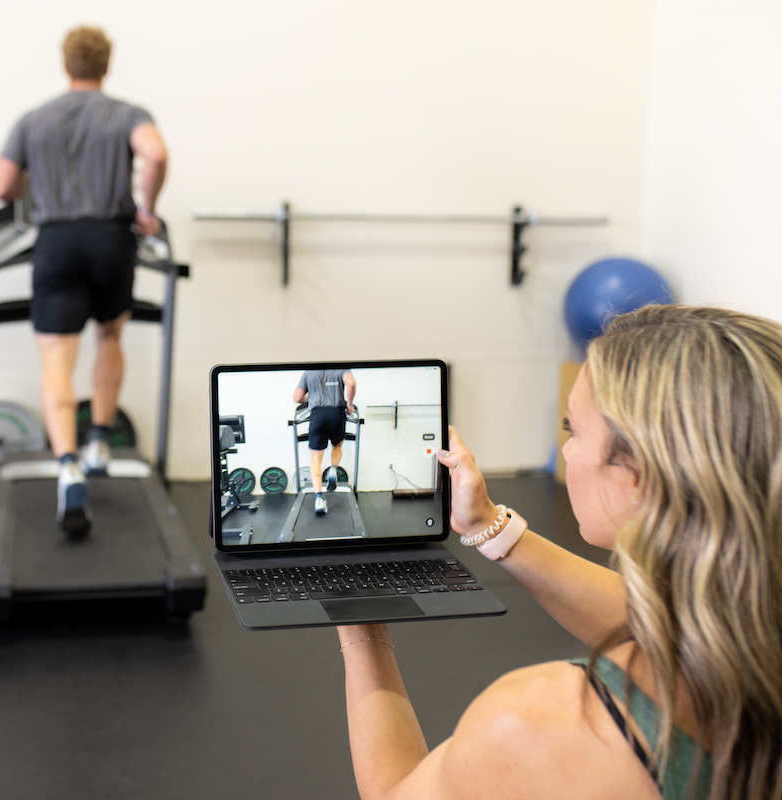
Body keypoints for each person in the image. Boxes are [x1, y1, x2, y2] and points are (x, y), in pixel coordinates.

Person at [335, 305, 782, 800]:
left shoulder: (534, 723)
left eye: (573, 429)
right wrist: (486, 524)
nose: (566, 449)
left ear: (634, 474)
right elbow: (654, 622)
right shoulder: (748, 635)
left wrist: (361, 622)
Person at [0, 26, 168, 537]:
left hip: (57, 241)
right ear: (106, 64)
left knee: (55, 358)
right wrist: (147, 209)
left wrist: (31, 178)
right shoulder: (128, 113)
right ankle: (100, 441)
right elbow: (155, 154)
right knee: (110, 335)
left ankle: (67, 463)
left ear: (65, 64)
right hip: (112, 238)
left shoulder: (35, 119)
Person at [294, 369, 356, 515]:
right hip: (337, 413)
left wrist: (310, 396)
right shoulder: (341, 368)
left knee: (315, 458)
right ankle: (333, 468)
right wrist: (350, 404)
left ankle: (319, 498)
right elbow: (351, 383)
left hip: (318, 414)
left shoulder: (308, 372)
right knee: (337, 445)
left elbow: (297, 398)